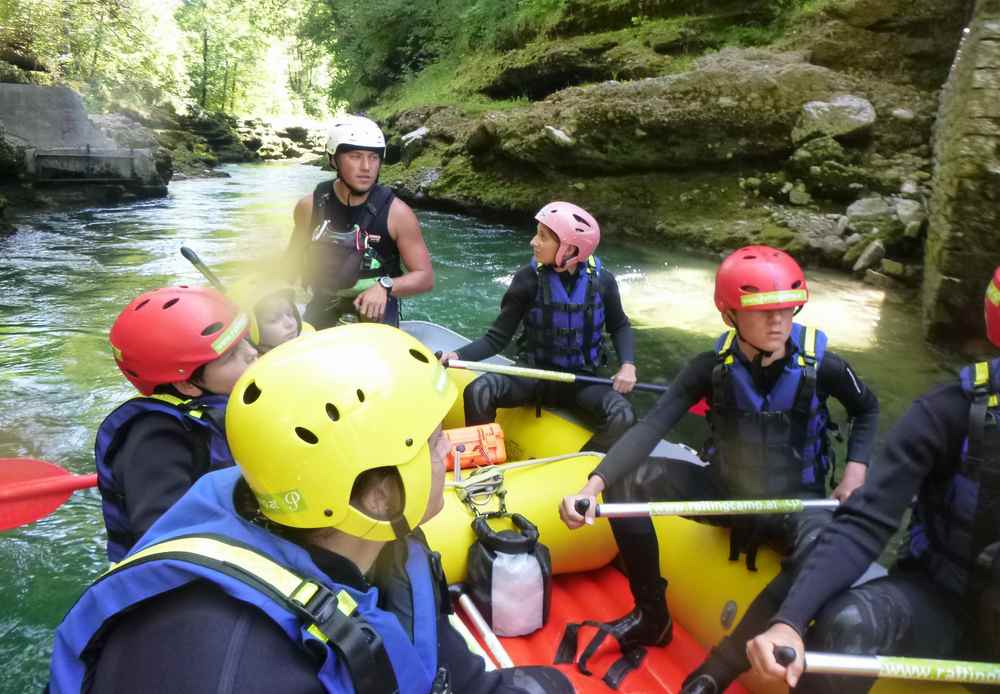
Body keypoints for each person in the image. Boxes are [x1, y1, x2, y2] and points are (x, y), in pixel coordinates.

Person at [50, 325, 574, 694]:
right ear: (379, 494)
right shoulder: (228, 669)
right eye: (433, 441)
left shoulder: (380, 545)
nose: (448, 454)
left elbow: (440, 667)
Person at [558, 245, 880, 692]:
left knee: (826, 544)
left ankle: (719, 668)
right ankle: (652, 616)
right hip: (726, 492)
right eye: (764, 311)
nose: (779, 321)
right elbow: (653, 424)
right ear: (730, 314)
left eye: (788, 309)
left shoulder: (822, 365)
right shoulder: (710, 368)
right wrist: (595, 484)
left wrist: (855, 469)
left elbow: (866, 408)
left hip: (799, 504)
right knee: (629, 482)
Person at [746, 267, 1000, 693]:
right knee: (847, 622)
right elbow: (866, 522)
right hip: (945, 603)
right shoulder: (948, 412)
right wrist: (789, 620)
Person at [439, 201, 638, 453]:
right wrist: (457, 356)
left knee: (623, 415)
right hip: (534, 374)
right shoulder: (527, 279)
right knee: (480, 390)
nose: (534, 242)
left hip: (583, 379)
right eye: (537, 233)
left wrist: (628, 365)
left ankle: (580, 471)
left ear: (570, 249)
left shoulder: (603, 282)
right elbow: (496, 339)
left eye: (543, 237)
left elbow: (620, 325)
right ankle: (484, 466)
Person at [95, 285, 257, 562]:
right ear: (187, 384)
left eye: (245, 339)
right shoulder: (155, 440)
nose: (252, 352)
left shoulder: (239, 397)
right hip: (177, 578)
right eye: (231, 356)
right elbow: (165, 539)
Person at [286, 114, 434, 329]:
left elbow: (425, 278)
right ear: (333, 159)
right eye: (355, 156)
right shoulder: (308, 207)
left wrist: (385, 286)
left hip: (376, 307)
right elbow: (291, 263)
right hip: (324, 300)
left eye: (373, 157)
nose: (366, 166)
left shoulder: (398, 214)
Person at [231, 275, 315, 353]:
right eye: (273, 319)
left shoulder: (309, 336)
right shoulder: (252, 365)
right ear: (248, 331)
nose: (290, 324)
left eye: (290, 313)